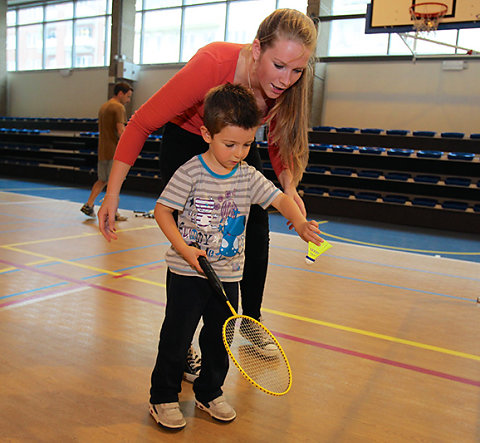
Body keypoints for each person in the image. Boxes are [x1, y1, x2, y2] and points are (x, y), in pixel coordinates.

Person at [97, 8, 317, 379]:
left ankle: (250, 321)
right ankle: (181, 343)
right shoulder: (213, 62)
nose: (287, 79)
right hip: (187, 138)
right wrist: (112, 193)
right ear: (257, 49)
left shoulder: (286, 85)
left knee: (257, 228)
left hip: (239, 142)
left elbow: (281, 140)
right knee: (196, 236)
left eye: (297, 71)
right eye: (280, 66)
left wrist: (289, 187)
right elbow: (142, 122)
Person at [149, 83, 323, 429]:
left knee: (219, 338)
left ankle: (209, 391)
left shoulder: (247, 176)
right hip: (187, 272)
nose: (239, 152)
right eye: (230, 144)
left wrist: (300, 222)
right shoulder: (191, 172)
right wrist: (184, 250)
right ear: (206, 134)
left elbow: (278, 199)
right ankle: (163, 397)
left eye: (247, 144)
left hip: (228, 275)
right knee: (177, 336)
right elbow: (162, 211)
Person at [81, 81, 133, 221]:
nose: (128, 100)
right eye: (127, 97)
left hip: (103, 150)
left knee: (102, 180)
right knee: (114, 183)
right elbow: (121, 131)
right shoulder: (118, 107)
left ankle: (89, 204)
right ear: (120, 93)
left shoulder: (104, 107)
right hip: (115, 152)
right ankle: (113, 212)